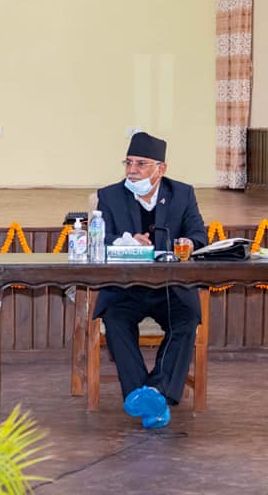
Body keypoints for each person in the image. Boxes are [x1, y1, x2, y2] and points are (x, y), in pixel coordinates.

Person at [94, 132, 208, 429]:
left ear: (161, 168)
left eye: (141, 164)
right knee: (115, 320)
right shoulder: (110, 195)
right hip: (126, 288)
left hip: (170, 288)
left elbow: (199, 234)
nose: (132, 170)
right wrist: (126, 241)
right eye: (128, 163)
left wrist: (189, 242)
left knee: (186, 319)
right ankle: (147, 396)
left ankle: (153, 392)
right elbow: (100, 238)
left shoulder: (182, 193)